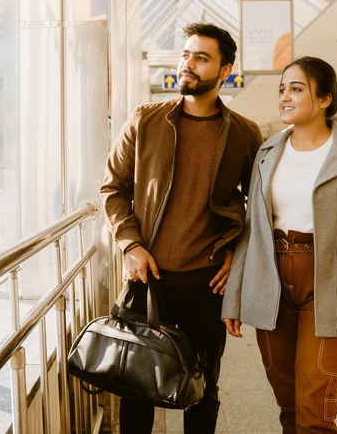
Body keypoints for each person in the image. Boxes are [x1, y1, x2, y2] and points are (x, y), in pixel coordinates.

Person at [221, 56, 337, 433]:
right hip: (269, 282)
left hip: (329, 286)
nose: (284, 97)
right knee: (288, 403)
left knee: (314, 408)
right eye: (282, 89)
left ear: (324, 99)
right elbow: (253, 229)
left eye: (296, 88)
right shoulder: (267, 154)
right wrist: (234, 296)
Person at [100, 22, 263, 434]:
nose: (187, 64)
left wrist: (236, 256)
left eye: (201, 58)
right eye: (186, 54)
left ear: (225, 70)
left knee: (204, 389)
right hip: (147, 279)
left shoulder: (244, 134)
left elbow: (259, 207)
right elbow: (112, 187)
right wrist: (130, 244)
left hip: (207, 285)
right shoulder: (145, 120)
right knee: (134, 386)